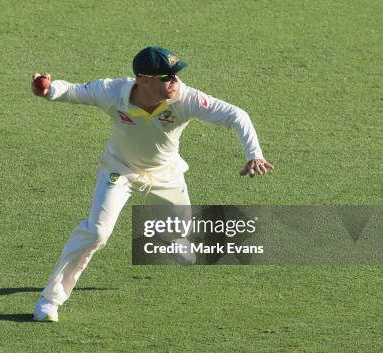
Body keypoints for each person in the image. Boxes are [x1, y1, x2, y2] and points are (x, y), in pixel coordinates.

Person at [30, 46, 274, 322]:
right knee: (96, 233)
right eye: (166, 76)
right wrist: (48, 90)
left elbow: (236, 115)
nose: (174, 81)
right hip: (119, 170)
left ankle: (169, 238)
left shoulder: (185, 98)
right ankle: (50, 301)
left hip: (165, 174)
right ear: (143, 79)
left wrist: (254, 154)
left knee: (179, 229)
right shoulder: (114, 92)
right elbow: (76, 91)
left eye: (176, 74)